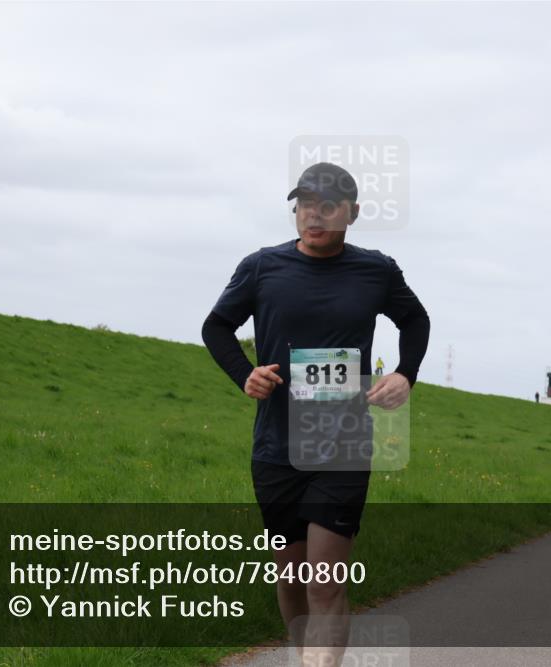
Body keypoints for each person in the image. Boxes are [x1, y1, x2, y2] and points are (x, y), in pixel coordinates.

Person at [201, 162, 430, 665]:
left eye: (327, 206)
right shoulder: (262, 267)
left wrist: (405, 374)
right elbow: (215, 327)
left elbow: (415, 319)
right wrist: (245, 373)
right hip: (276, 447)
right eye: (305, 205)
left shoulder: (376, 270)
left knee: (324, 582)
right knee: (291, 576)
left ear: (352, 212)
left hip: (344, 446)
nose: (314, 215)